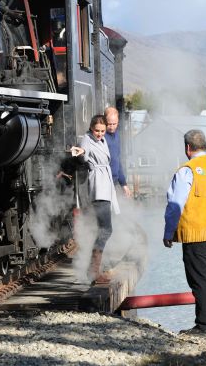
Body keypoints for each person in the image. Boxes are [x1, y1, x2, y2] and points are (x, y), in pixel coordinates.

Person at [163, 129, 206, 337]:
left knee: (200, 279)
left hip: (197, 233)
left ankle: (203, 325)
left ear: (187, 148)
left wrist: (169, 232)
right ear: (205, 145)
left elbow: (175, 204)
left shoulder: (187, 170)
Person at [70, 114, 120, 284]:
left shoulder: (102, 141)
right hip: (99, 187)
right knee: (105, 230)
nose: (99, 134)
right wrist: (81, 152)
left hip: (105, 186)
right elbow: (84, 155)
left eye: (102, 131)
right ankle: (93, 272)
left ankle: (94, 270)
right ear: (91, 129)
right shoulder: (86, 139)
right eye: (97, 130)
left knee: (104, 229)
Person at [103, 107, 133, 199]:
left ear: (118, 122)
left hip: (115, 181)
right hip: (104, 182)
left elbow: (117, 160)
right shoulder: (101, 137)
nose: (112, 127)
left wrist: (123, 184)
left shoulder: (117, 136)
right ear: (104, 122)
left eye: (114, 124)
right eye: (109, 124)